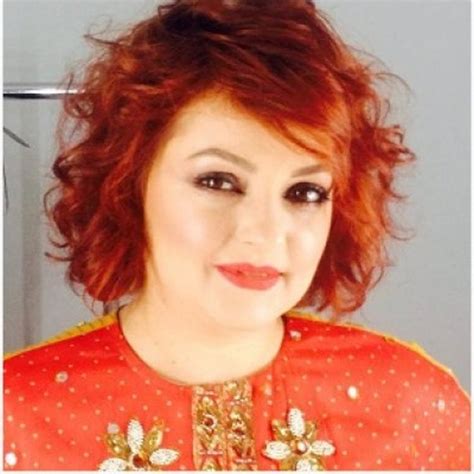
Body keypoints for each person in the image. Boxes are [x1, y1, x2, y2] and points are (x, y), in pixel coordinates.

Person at [3, 0, 470, 471]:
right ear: (128, 186)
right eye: (218, 182)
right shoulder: (15, 417)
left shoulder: (413, 407)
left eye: (304, 192)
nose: (266, 232)